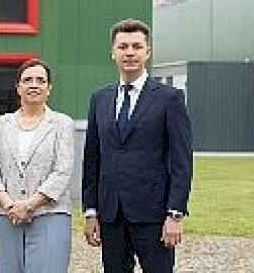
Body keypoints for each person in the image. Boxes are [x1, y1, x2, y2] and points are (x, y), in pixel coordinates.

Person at [82, 18, 193, 273]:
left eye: (136, 46)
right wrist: (91, 211)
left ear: (147, 52)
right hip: (111, 214)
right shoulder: (100, 99)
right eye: (123, 47)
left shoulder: (170, 98)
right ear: (113, 52)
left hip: (154, 213)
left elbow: (181, 160)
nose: (130, 52)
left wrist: (175, 213)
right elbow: (92, 158)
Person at [0, 59, 75, 273]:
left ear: (49, 88)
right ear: (18, 87)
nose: (34, 85)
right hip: (7, 216)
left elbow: (62, 171)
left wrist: (30, 205)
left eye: (41, 80)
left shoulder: (62, 124)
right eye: (27, 80)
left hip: (50, 213)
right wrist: (9, 205)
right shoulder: (0, 125)